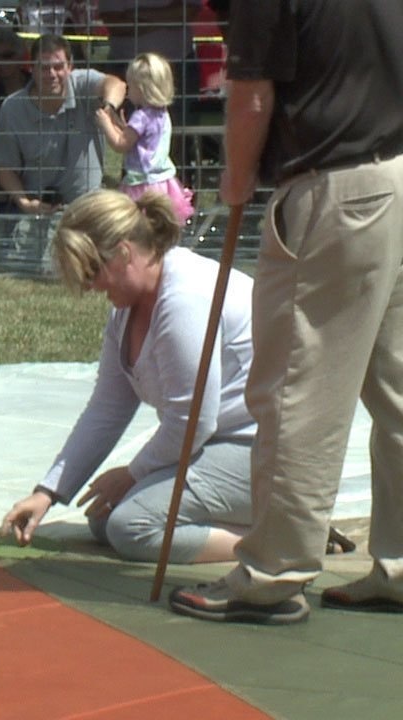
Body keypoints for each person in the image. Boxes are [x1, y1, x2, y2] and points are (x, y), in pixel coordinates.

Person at [168, 0, 403, 625]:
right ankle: (402, 567)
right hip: (398, 175)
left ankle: (272, 576)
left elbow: (250, 98)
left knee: (296, 387)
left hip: (336, 189)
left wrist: (235, 182)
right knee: (399, 390)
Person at [0, 189, 255, 563]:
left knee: (131, 527)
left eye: (91, 272)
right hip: (217, 445)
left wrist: (134, 473)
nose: (89, 287)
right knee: (105, 518)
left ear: (123, 252)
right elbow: (108, 407)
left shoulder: (184, 300)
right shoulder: (128, 307)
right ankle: (261, 527)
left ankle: (279, 541)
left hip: (263, 453)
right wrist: (48, 492)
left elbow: (193, 422)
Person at [0, 34, 127, 214]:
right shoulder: (12, 108)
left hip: (89, 209)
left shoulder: (83, 85)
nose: (52, 75)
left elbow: (117, 84)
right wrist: (24, 203)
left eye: (58, 67)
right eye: (44, 68)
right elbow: (4, 166)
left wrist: (108, 107)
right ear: (31, 68)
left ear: (70, 66)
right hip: (38, 211)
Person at [95, 52, 195, 224]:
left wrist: (105, 124)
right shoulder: (161, 113)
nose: (127, 89)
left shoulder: (141, 116)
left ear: (142, 88)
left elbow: (121, 144)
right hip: (162, 182)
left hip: (142, 184)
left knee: (138, 225)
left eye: (130, 85)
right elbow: (140, 140)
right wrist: (120, 125)